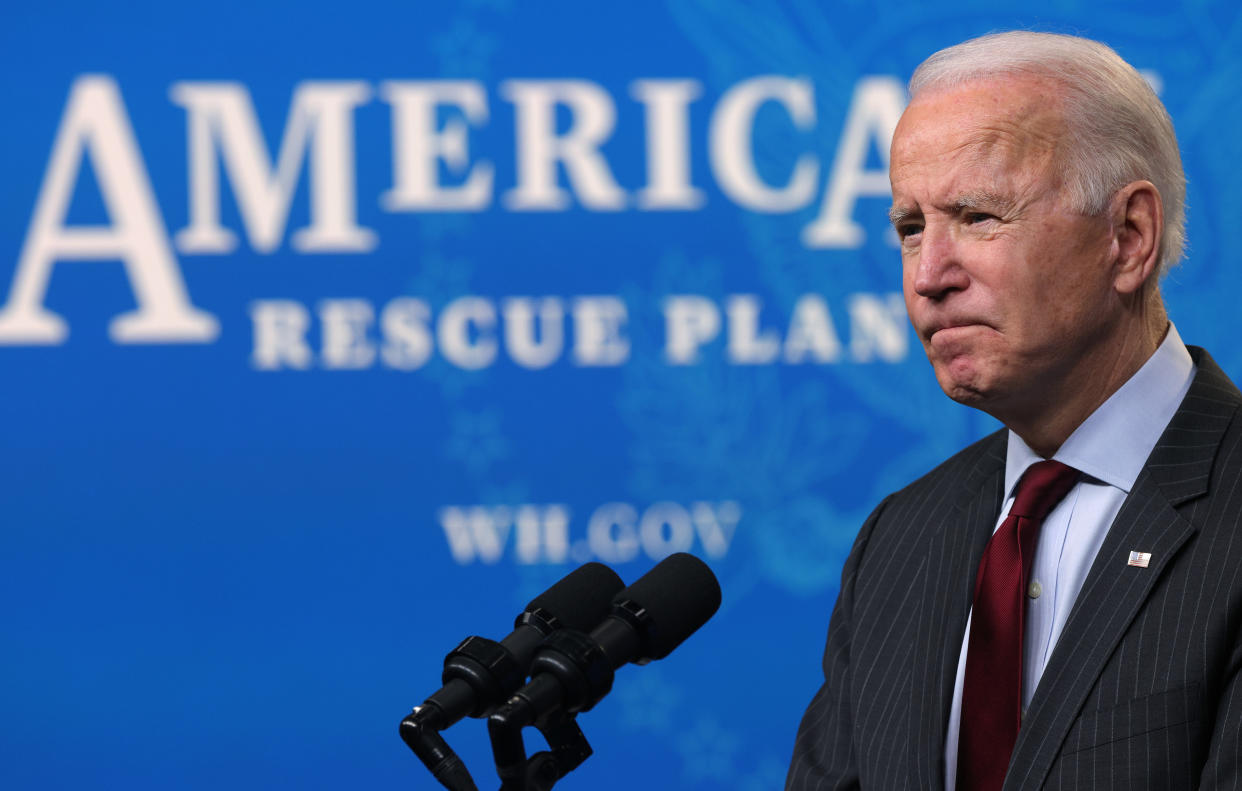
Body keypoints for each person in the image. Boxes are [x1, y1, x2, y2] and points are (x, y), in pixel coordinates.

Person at [786, 31, 1242, 791]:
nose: (928, 276)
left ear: (1128, 238)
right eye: (910, 228)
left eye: (978, 216)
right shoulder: (900, 538)